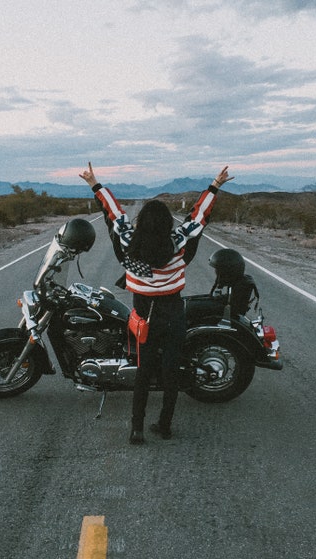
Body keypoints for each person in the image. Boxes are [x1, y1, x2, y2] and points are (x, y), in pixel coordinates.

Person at [79, 162, 233, 444]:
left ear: (141, 223)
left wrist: (94, 184)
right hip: (174, 314)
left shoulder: (128, 244)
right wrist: (214, 186)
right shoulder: (178, 243)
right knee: (170, 372)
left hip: (144, 317)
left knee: (144, 373)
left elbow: (114, 214)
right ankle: (164, 425)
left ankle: (136, 429)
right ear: (166, 224)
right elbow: (198, 218)